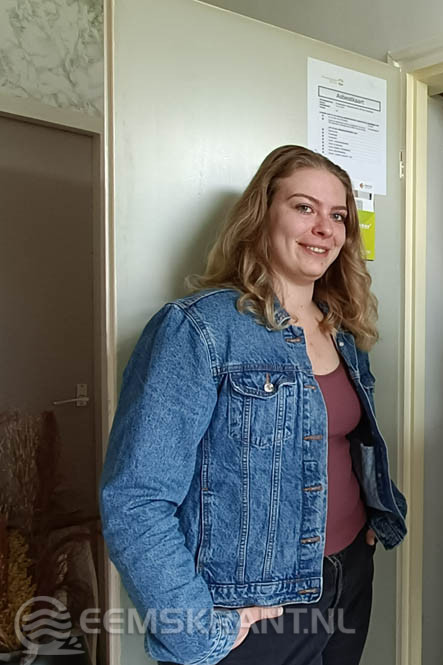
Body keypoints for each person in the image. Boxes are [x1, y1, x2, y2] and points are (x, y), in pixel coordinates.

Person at [100, 145, 407, 665]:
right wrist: (198, 629)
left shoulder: (342, 329)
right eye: (304, 207)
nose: (324, 228)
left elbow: (345, 445)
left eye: (338, 216)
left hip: (350, 574)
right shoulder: (198, 328)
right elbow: (135, 500)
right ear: (262, 213)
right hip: (258, 605)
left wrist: (370, 529)